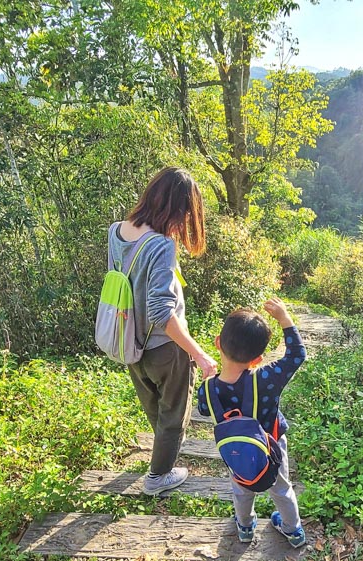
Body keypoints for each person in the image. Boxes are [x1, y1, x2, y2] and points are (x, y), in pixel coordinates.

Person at [109, 167, 218, 496]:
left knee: (156, 408)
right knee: (174, 412)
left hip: (129, 342)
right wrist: (198, 354)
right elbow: (162, 312)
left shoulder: (117, 232)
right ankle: (158, 476)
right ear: (177, 208)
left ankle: (162, 450)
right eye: (187, 212)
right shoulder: (161, 246)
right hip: (164, 349)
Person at [196, 296, 307, 548]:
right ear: (257, 359)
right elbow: (297, 355)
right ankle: (293, 530)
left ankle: (245, 527)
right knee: (281, 488)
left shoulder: (207, 390)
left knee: (242, 489)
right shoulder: (267, 379)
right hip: (272, 447)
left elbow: (203, 410)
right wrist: (285, 319)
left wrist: (210, 380)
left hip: (236, 452)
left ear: (217, 343)